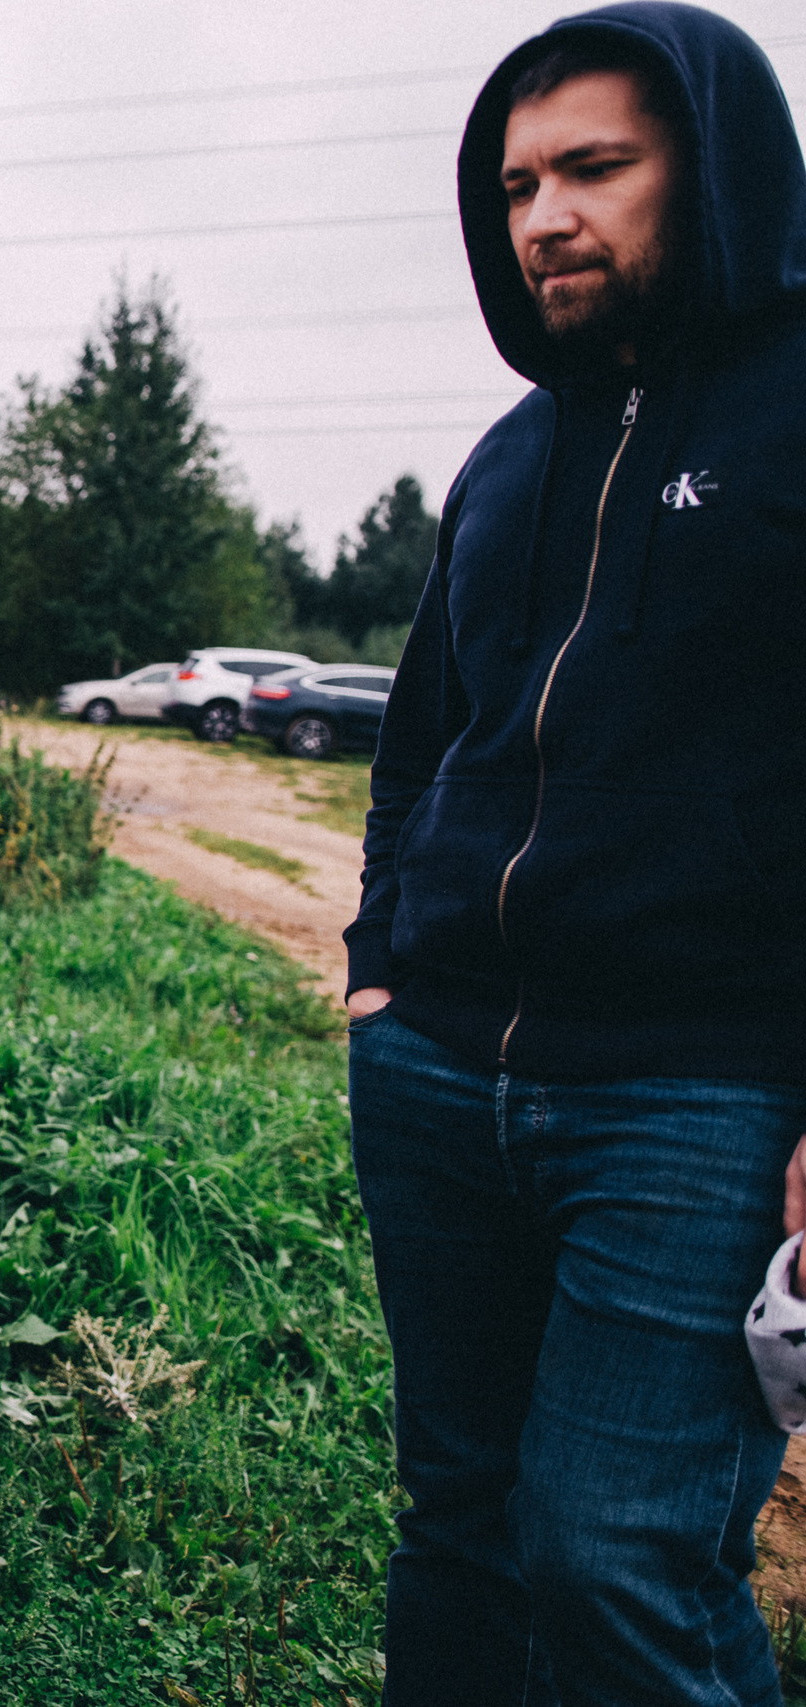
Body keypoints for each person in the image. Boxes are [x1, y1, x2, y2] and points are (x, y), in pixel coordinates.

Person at [345, 6, 806, 1700]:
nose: (545, 216)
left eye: (596, 168)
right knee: (460, 1523)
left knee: (615, 1549)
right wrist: (380, 966)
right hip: (437, 1072)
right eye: (518, 183)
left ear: (715, 166)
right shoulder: (509, 453)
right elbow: (421, 738)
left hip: (698, 1095)